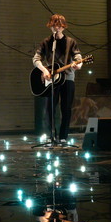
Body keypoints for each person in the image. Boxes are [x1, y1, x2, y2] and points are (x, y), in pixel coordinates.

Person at [33, 14, 82, 143]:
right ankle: (51, 135)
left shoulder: (71, 42)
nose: (56, 28)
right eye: (54, 25)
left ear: (64, 27)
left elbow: (78, 57)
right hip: (51, 79)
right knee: (50, 108)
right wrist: (44, 70)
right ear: (50, 26)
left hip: (68, 77)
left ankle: (63, 136)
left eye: (59, 26)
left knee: (66, 108)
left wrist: (78, 65)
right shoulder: (46, 42)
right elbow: (36, 59)